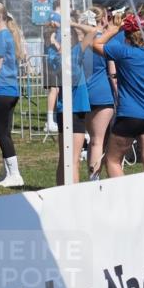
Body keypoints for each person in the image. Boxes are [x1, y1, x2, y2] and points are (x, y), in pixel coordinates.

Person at [94, 6, 144, 177]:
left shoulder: (124, 52)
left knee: (113, 160)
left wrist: (115, 29)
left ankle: (123, 200)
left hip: (129, 114)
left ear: (128, 36)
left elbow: (96, 44)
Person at [0, 3, 26, 187]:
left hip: (1, 90)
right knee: (5, 133)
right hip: (10, 89)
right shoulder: (8, 34)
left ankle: (15, 174)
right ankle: (7, 172)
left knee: (1, 133)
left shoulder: (2, 36)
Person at [75, 6, 116, 179]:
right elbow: (112, 71)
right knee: (99, 140)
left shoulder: (79, 45)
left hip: (85, 93)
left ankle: (92, 176)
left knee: (93, 139)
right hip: (103, 93)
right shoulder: (104, 44)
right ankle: (94, 179)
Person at [56, 13, 94, 185]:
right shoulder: (75, 52)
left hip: (64, 108)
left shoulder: (57, 56)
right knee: (73, 160)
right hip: (75, 108)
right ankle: (73, 196)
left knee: (64, 158)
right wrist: (73, 23)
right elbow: (93, 32)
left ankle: (58, 192)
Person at [44, 20, 61, 133]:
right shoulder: (52, 35)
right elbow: (59, 49)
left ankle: (52, 119)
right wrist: (55, 41)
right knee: (54, 90)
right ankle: (50, 120)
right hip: (52, 65)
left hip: (54, 65)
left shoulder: (50, 33)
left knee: (56, 90)